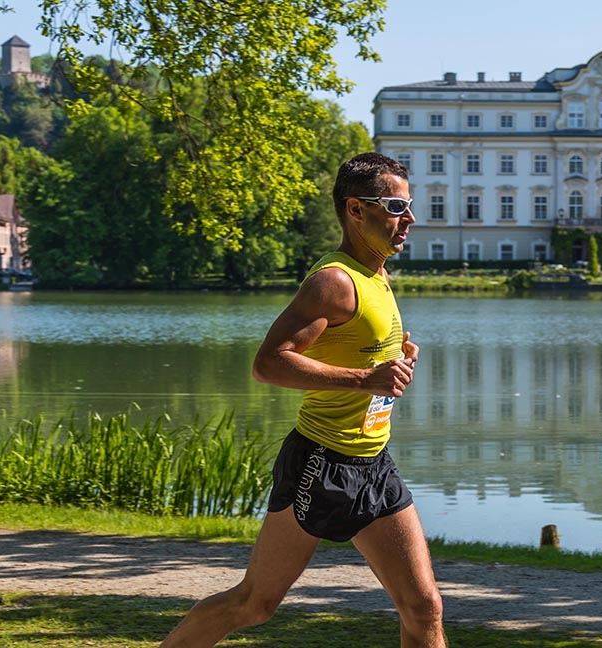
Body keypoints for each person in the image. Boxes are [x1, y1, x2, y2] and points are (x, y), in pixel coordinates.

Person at [161, 152, 443, 647]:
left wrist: (394, 362)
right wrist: (364, 379)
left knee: (423, 608)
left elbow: (364, 354)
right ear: (357, 210)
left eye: (409, 205)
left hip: (373, 461)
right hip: (321, 461)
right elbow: (269, 363)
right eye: (396, 206)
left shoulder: (376, 274)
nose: (410, 219)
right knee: (254, 604)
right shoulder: (334, 281)